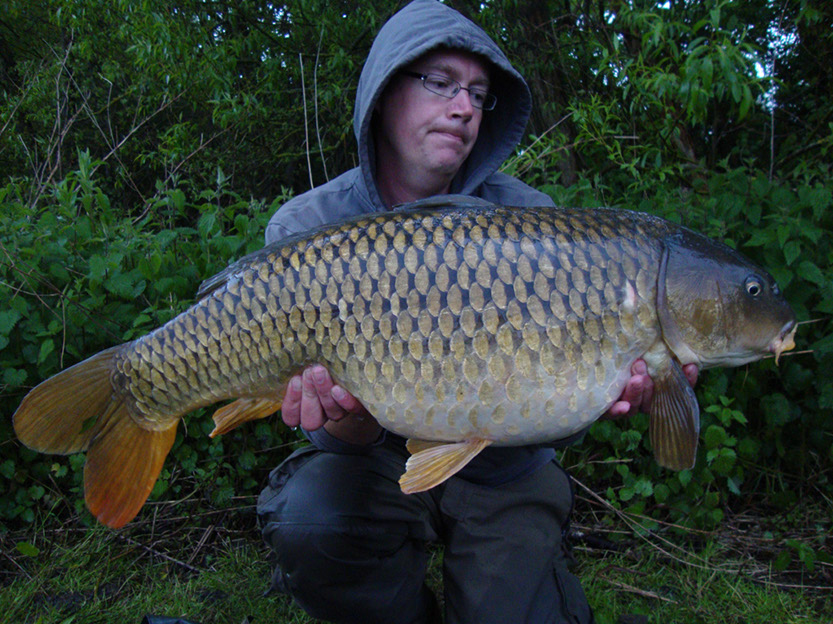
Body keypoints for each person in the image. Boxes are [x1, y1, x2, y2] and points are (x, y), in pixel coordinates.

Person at [257, 2, 697, 623]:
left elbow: (557, 411)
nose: (462, 107)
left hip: (504, 469)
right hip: (373, 468)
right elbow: (324, 430)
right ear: (383, 94)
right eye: (439, 82)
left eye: (478, 93)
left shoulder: (541, 228)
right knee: (312, 519)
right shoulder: (307, 228)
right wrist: (344, 424)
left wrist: (615, 392)